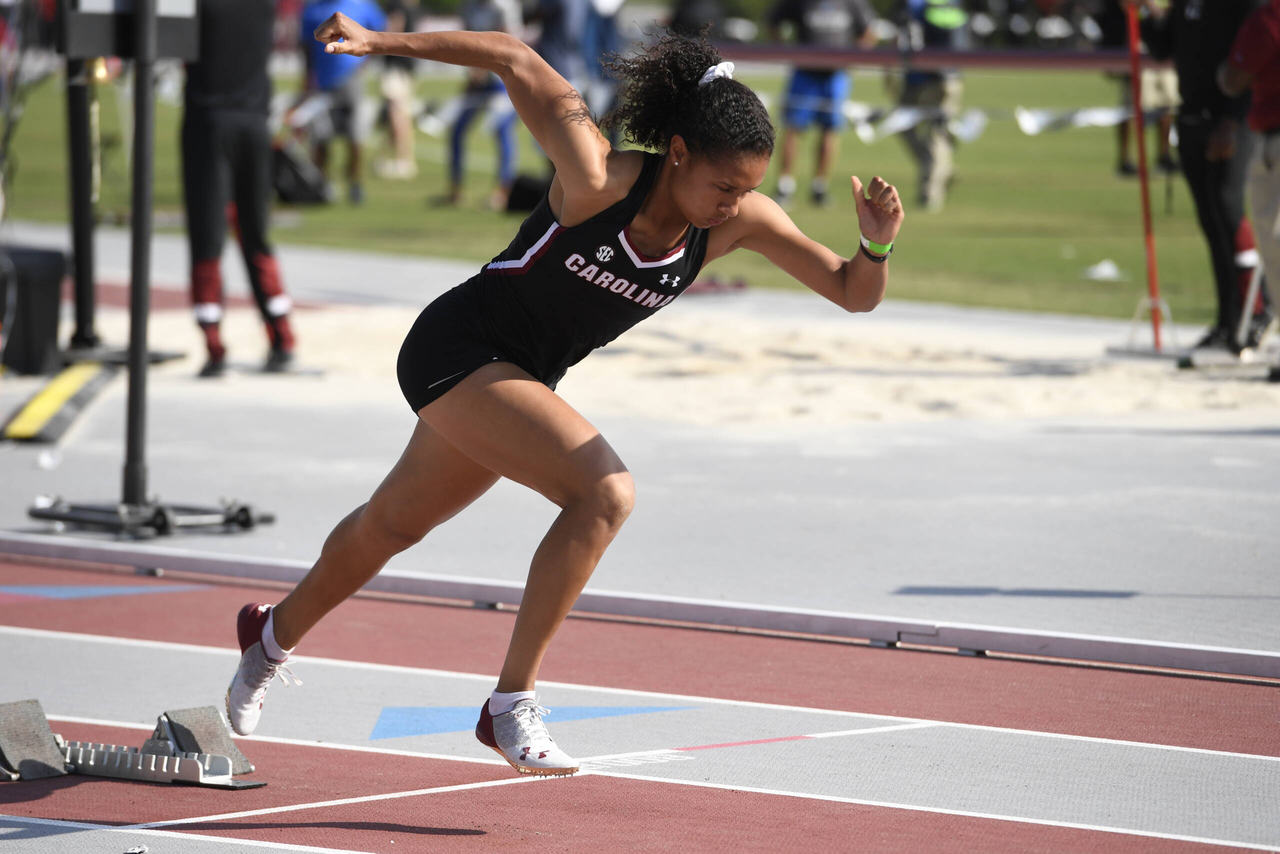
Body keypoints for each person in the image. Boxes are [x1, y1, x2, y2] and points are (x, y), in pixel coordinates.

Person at [224, 18, 903, 776]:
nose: (733, 203)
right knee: (603, 492)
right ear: (677, 153)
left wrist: (876, 243)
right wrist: (386, 43)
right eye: (723, 185)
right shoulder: (595, 176)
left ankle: (270, 635)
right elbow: (516, 56)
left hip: (519, 379)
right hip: (457, 348)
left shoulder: (737, 222)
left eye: (747, 188)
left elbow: (853, 292)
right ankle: (510, 705)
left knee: (390, 526)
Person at [1133, 0, 1275, 357]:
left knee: (1230, 214)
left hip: (1230, 122)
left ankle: (1256, 309)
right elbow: (1164, 47)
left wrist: (1230, 120)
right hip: (1192, 113)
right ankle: (1227, 320)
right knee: (1211, 220)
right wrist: (1148, 13)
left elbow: (1249, 61)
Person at [182, 0, 297, 377]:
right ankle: (282, 338)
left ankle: (214, 348)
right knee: (257, 235)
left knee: (208, 236)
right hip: (253, 122)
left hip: (209, 122)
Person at [767, 0, 878, 208]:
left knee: (830, 130)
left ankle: (820, 187)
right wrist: (784, 48)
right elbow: (773, 21)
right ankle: (785, 186)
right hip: (805, 73)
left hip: (836, 75)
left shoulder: (852, 3)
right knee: (793, 128)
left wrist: (854, 57)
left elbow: (870, 31)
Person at [1220, 0, 1280, 380]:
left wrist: (1219, 73)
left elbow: (1235, 77)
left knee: (1273, 244)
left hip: (1275, 136)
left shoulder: (1270, 14)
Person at [300, 0, 387, 205]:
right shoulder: (312, 8)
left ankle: (355, 183)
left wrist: (365, 62)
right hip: (322, 82)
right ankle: (320, 185)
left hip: (351, 80)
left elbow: (381, 31)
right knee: (321, 138)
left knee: (355, 137)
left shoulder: (361, 4)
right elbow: (305, 47)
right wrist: (307, 80)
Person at [436, 0, 521, 208]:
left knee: (502, 131)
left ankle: (503, 192)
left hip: (501, 81)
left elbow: (510, 44)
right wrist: (472, 71)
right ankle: (455, 191)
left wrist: (486, 67)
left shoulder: (504, 7)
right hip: (476, 82)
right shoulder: (468, 6)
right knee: (456, 130)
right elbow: (465, 40)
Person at [896, 0, 967, 213]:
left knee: (935, 134)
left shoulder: (915, 5)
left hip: (928, 78)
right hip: (946, 76)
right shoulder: (952, 4)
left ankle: (931, 193)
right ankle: (940, 170)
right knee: (910, 128)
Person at [1097, 0, 1178, 178]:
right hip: (1139, 39)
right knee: (1133, 105)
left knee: (1167, 102)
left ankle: (1164, 156)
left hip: (1166, 39)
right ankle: (1126, 159)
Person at [376, 0, 419, 181]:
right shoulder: (408, 7)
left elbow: (394, 27)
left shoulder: (397, 6)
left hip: (397, 67)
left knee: (397, 114)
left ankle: (403, 160)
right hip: (404, 66)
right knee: (399, 114)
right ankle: (399, 158)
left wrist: (372, 36)